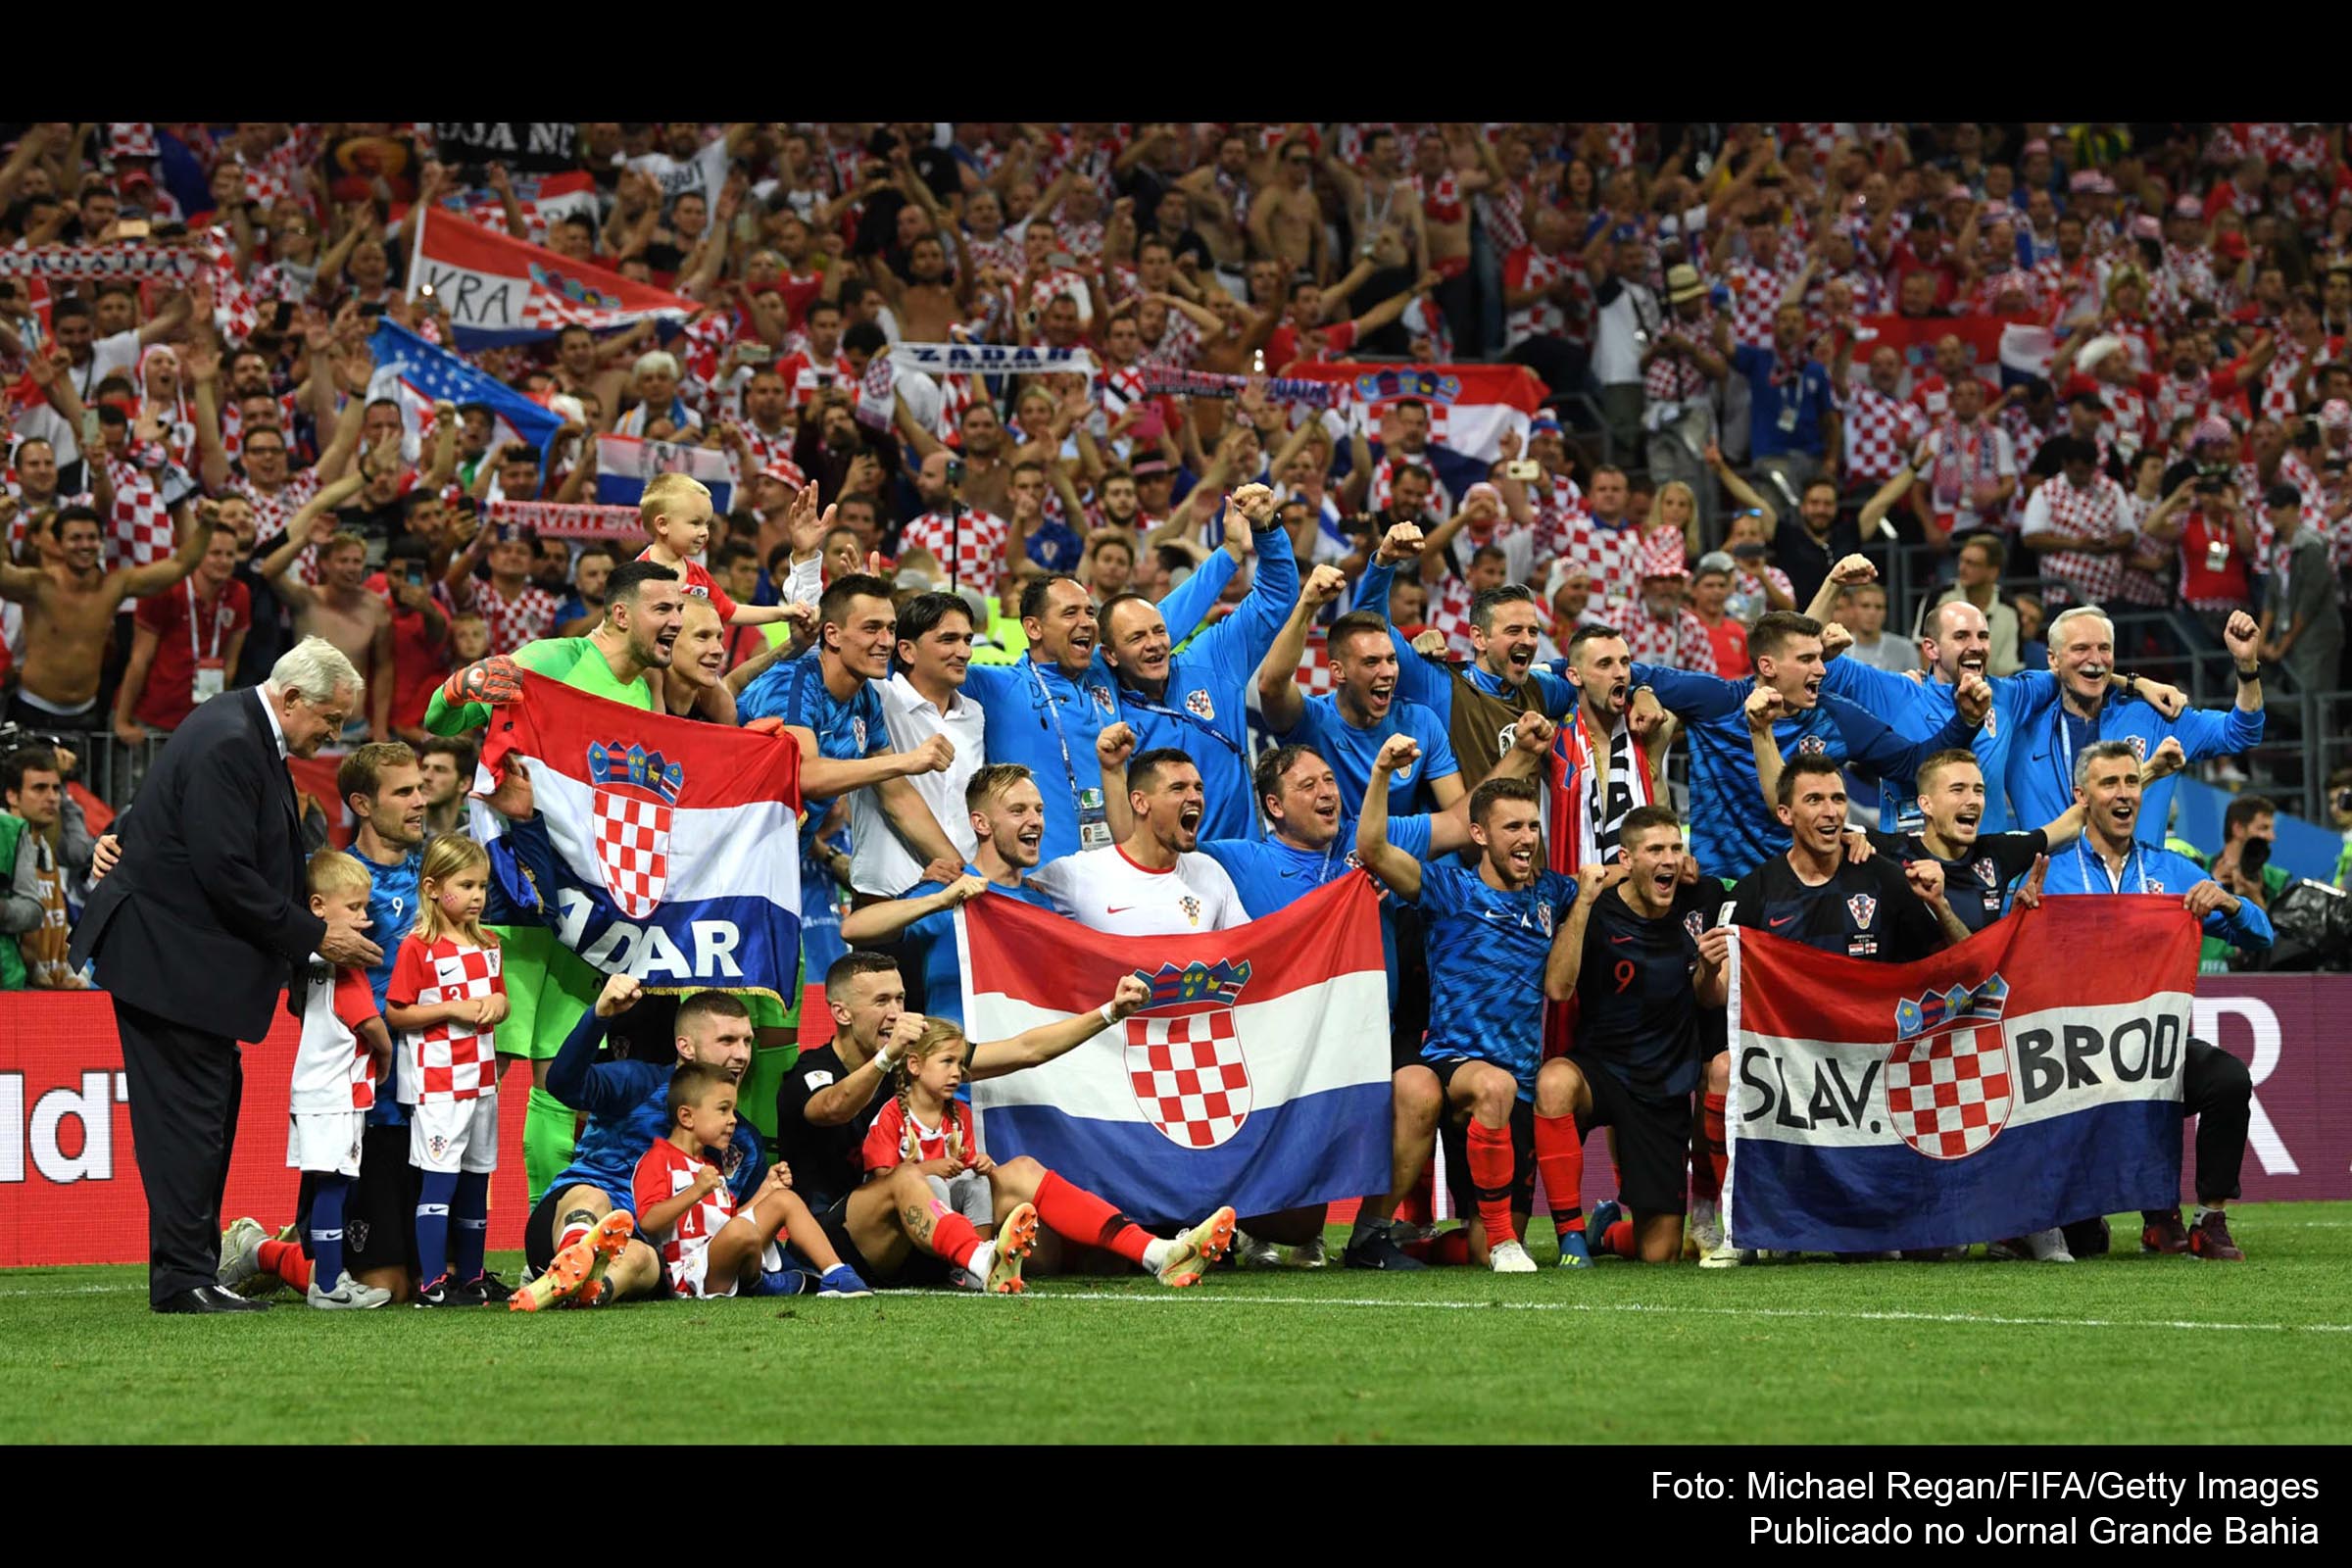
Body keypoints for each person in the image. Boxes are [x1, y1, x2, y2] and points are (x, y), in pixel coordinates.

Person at [70, 637, 378, 1314]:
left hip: (182, 966)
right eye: (331, 718)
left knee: (207, 1115)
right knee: (189, 1123)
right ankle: (182, 1280)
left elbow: (178, 816)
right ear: (293, 698)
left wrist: (127, 832)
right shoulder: (232, 739)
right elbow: (225, 871)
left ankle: (194, 1269)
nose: (334, 734)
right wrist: (315, 934)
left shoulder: (238, 730)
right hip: (169, 965)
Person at [423, 559, 688, 1204]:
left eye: (680, 610)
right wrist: (462, 685)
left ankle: (543, 1234)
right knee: (481, 1069)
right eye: (664, 610)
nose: (676, 623)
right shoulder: (551, 659)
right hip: (511, 892)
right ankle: (440, 1243)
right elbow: (441, 719)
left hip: (589, 904)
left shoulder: (643, 692)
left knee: (555, 1081)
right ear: (621, 613)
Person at [774, 953, 1238, 1292]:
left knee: (1019, 1171)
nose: (896, 1012)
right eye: (880, 1002)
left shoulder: (918, 1056)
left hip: (933, 1238)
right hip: (846, 1244)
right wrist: (887, 1056)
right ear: (840, 1012)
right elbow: (832, 1108)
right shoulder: (811, 1072)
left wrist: (1108, 1013)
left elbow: (1024, 1050)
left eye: (899, 997)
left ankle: (1157, 1253)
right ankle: (981, 1260)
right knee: (905, 1176)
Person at [2035, 739, 2269, 1261]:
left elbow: (2261, 937)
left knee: (2228, 1078)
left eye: (2132, 783)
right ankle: (2116, 1213)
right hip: (2072, 1058)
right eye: (2109, 783)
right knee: (2086, 1245)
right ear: (2082, 796)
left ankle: (2208, 1218)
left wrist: (2230, 903)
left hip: (2158, 1051)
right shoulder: (2049, 873)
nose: (2124, 794)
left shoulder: (2175, 872)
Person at [1355, 752, 1580, 1274]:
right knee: (1488, 1087)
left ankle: (1425, 1246)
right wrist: (1383, 775)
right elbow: (1370, 847)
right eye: (1512, 828)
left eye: (1532, 826)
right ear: (1479, 834)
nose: (1526, 838)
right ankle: (1384, 1234)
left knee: (1473, 1252)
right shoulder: (1449, 888)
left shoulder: (1551, 892)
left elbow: (1614, 877)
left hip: (1518, 1087)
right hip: (1456, 1065)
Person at [1634, 612, 1990, 880]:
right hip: (1721, 886)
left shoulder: (1835, 716)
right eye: (1806, 659)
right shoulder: (1718, 701)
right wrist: (1643, 692)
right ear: (1767, 666)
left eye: (1820, 657)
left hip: (1807, 886)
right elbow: (1619, 672)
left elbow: (1913, 766)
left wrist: (1966, 720)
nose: (1821, 669)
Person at [1531, 808, 1725, 1267]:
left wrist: (1710, 968)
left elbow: (1709, 998)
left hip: (1662, 1085)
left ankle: (1606, 1233)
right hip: (1602, 1070)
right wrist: (1582, 902)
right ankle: (1572, 1237)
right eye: (1656, 850)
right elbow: (1558, 989)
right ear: (1627, 858)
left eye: (1676, 848)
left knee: (1660, 1255)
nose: (1670, 860)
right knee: (1554, 1083)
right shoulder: (1597, 908)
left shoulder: (1704, 898)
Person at [519, 980, 789, 1309]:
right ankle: (576, 1253)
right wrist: (599, 1016)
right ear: (686, 1047)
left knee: (641, 1257)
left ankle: (585, 1289)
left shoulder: (742, 1139)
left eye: (748, 1041)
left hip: (650, 1252)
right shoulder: (636, 1083)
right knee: (595, 1198)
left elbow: (739, 1227)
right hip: (567, 1217)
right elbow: (562, 1083)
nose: (742, 1054)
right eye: (727, 1041)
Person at [1101, 483, 1298, 840]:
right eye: (1136, 638)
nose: (1154, 645)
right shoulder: (1104, 709)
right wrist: (1226, 555)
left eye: (1160, 632)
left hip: (1242, 860)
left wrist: (1267, 528)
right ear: (1110, 655)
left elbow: (1276, 597)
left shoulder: (1212, 659)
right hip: (1164, 875)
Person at [2002, 606, 2266, 843]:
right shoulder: (2020, 728)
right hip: (2051, 891)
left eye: (2104, 649)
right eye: (2081, 649)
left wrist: (2246, 665)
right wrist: (2133, 682)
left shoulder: (2158, 717)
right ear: (2052, 659)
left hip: (2135, 890)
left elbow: (2241, 732)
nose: (2095, 659)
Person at [839, 763, 1058, 1034]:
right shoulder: (946, 890)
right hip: (961, 1069)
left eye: (1038, 809)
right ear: (981, 823)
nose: (1035, 820)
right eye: (1018, 811)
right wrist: (941, 900)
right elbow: (853, 929)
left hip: (1028, 1065)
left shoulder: (1041, 902)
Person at [382, 835, 508, 1307]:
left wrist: (499, 1002)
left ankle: (471, 1276)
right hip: (438, 1084)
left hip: (482, 1083)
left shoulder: (489, 943)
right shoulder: (419, 947)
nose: (477, 896)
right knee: (440, 1180)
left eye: (482, 886)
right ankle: (432, 1284)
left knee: (477, 1179)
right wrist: (450, 1010)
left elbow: (498, 1000)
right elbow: (397, 1013)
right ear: (433, 887)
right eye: (466, 885)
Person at [629, 1061, 871, 1302]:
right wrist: (696, 1191)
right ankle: (757, 1282)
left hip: (728, 1255)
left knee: (783, 1199)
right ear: (686, 1116)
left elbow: (730, 1222)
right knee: (741, 1231)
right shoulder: (657, 1160)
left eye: (734, 1110)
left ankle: (837, 1273)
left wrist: (766, 1190)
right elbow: (648, 1221)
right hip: (689, 1277)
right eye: (723, 1109)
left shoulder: (710, 1166)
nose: (733, 1119)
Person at [282, 850, 395, 1309]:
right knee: (333, 1186)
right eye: (354, 908)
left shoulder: (306, 959)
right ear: (317, 907)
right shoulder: (344, 964)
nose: (364, 918)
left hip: (315, 1089)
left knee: (330, 1183)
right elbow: (367, 1022)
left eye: (366, 907)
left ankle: (330, 1275)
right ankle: (328, 1284)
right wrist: (385, 1055)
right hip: (335, 1095)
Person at [0, 500, 217, 735]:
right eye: (75, 538)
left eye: (92, 538)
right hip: (33, 710)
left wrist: (207, 526)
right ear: (59, 544)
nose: (85, 545)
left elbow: (180, 565)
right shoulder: (38, 585)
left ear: (101, 543)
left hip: (87, 714)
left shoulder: (113, 586)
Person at [1029, 747, 1249, 934]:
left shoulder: (1210, 873)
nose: (1194, 797)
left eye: (1198, 788)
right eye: (1178, 788)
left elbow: (1246, 949)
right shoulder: (1078, 874)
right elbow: (1007, 903)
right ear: (1140, 802)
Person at [860, 1021, 997, 1285]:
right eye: (947, 1061)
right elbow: (882, 1180)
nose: (956, 1073)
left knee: (978, 1184)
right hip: (900, 1227)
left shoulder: (960, 1115)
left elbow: (966, 1168)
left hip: (950, 1218)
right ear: (914, 1065)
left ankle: (977, 1265)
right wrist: (931, 1169)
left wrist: (980, 1164)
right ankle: (942, 1263)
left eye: (960, 1064)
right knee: (932, 1182)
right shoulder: (890, 1116)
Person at [113, 522, 250, 745]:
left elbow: (230, 663)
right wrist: (122, 721)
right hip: (150, 721)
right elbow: (139, 659)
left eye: (229, 554)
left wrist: (215, 716)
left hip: (200, 725)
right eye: (215, 553)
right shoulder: (165, 588)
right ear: (197, 554)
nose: (223, 561)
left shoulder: (239, 594)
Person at [0, 746, 84, 991]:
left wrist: (70, 971)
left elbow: (57, 922)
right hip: (14, 988)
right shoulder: (6, 844)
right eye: (39, 788)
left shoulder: (46, 850)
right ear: (12, 796)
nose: (52, 797)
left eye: (56, 788)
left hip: (48, 992)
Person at [2256, 485, 2344, 695]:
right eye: (2271, 506)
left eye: (2280, 506)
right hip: (2286, 633)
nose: (2273, 512)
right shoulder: (2275, 545)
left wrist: (2281, 646)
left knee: (2311, 701)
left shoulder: (2311, 547)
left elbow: (2308, 603)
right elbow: (2272, 595)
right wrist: (2261, 641)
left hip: (2316, 637)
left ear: (2296, 508)